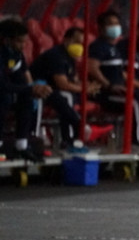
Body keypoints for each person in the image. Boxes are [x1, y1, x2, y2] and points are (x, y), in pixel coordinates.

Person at [30, 26, 112, 148]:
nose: (80, 46)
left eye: (82, 43)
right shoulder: (56, 55)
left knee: (75, 96)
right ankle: (73, 136)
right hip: (37, 89)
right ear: (66, 40)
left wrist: (88, 86)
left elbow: (73, 80)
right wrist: (84, 89)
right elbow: (62, 84)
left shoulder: (70, 57)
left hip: (52, 91)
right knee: (66, 96)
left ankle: (78, 133)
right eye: (77, 42)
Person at [88, 10, 139, 145]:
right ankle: (135, 139)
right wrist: (109, 85)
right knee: (134, 103)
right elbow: (92, 69)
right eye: (110, 24)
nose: (115, 27)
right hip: (106, 93)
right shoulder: (97, 46)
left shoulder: (114, 48)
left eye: (117, 23)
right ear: (101, 28)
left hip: (120, 89)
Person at [0, 18, 52, 161]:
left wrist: (33, 89)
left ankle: (21, 145)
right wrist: (30, 89)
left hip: (8, 90)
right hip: (2, 91)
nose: (23, 45)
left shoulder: (16, 54)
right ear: (6, 40)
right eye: (19, 41)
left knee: (27, 98)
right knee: (3, 98)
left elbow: (21, 77)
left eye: (24, 41)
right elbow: (2, 84)